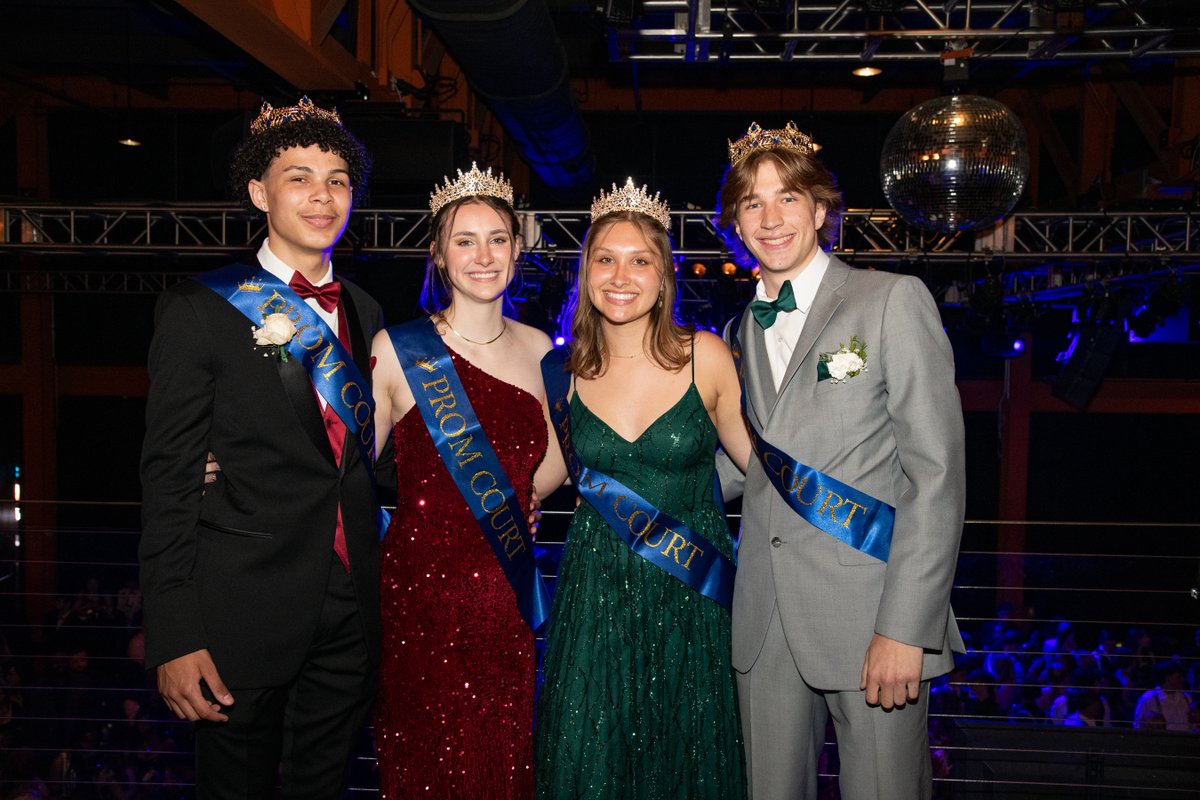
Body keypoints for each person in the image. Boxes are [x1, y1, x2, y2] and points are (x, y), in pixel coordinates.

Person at [139, 97, 384, 799]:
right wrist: (174, 634)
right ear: (258, 191)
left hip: (350, 608)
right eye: (299, 176)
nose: (322, 195)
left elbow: (368, 456)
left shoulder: (364, 309)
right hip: (241, 611)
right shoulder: (199, 309)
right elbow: (168, 482)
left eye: (337, 179)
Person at [714, 121, 966, 800]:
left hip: (872, 622)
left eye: (788, 198)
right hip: (764, 627)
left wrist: (906, 629)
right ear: (735, 221)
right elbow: (744, 466)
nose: (771, 219)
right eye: (752, 203)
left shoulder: (891, 301)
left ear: (822, 209)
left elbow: (936, 476)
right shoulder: (736, 333)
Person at [534, 179, 751, 799]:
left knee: (689, 756)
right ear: (586, 273)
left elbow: (763, 469)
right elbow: (545, 474)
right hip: (594, 594)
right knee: (591, 758)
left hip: (691, 592)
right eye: (605, 258)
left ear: (664, 277)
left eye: (640, 260)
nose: (620, 275)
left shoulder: (703, 356)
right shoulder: (564, 371)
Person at [369, 163, 564, 798]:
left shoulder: (543, 351)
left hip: (504, 600)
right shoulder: (398, 349)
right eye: (465, 240)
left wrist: (526, 496)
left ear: (517, 248)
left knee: (500, 759)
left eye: (498, 239)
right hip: (418, 600)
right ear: (439, 255)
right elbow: (343, 471)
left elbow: (565, 456)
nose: (484, 256)